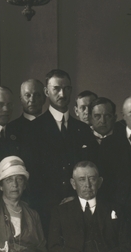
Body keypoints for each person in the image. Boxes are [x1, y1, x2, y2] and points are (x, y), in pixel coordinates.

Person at [25, 69, 94, 220]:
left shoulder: (83, 130)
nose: (62, 94)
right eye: (56, 89)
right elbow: (33, 173)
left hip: (79, 206)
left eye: (67, 89)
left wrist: (75, 198)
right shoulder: (33, 129)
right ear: (46, 91)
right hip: (46, 209)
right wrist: (54, 201)